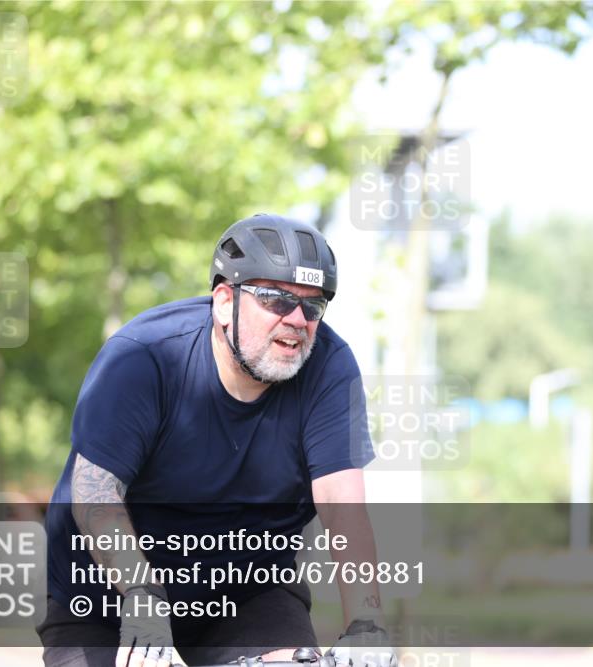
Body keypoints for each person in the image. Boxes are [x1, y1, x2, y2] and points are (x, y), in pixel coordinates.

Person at [37, 214, 396, 667]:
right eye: (276, 300)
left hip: (247, 593)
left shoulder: (329, 367)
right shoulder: (145, 357)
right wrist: (142, 596)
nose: (298, 320)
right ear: (225, 301)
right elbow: (94, 493)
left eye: (312, 306)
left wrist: (367, 625)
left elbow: (343, 505)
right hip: (107, 597)